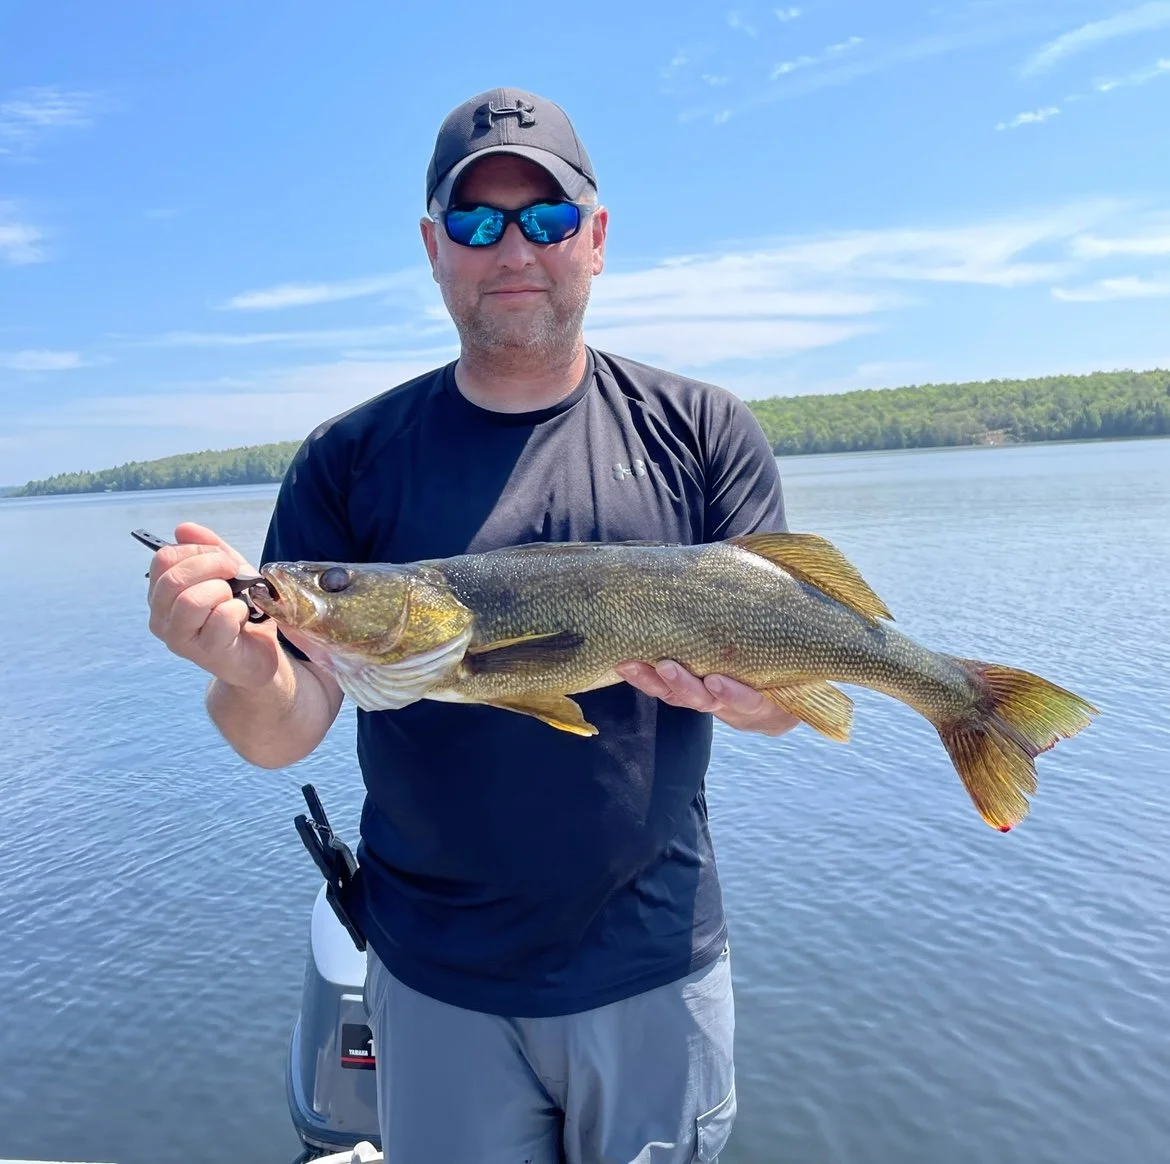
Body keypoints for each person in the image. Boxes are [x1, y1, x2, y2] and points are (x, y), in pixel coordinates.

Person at [146, 87, 798, 1164]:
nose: (513, 249)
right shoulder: (348, 459)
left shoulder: (702, 431)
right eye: (476, 221)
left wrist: (755, 695)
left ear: (595, 238)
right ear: (432, 246)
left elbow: (781, 698)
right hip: (433, 976)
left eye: (544, 220)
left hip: (653, 964)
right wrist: (239, 662)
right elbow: (281, 729)